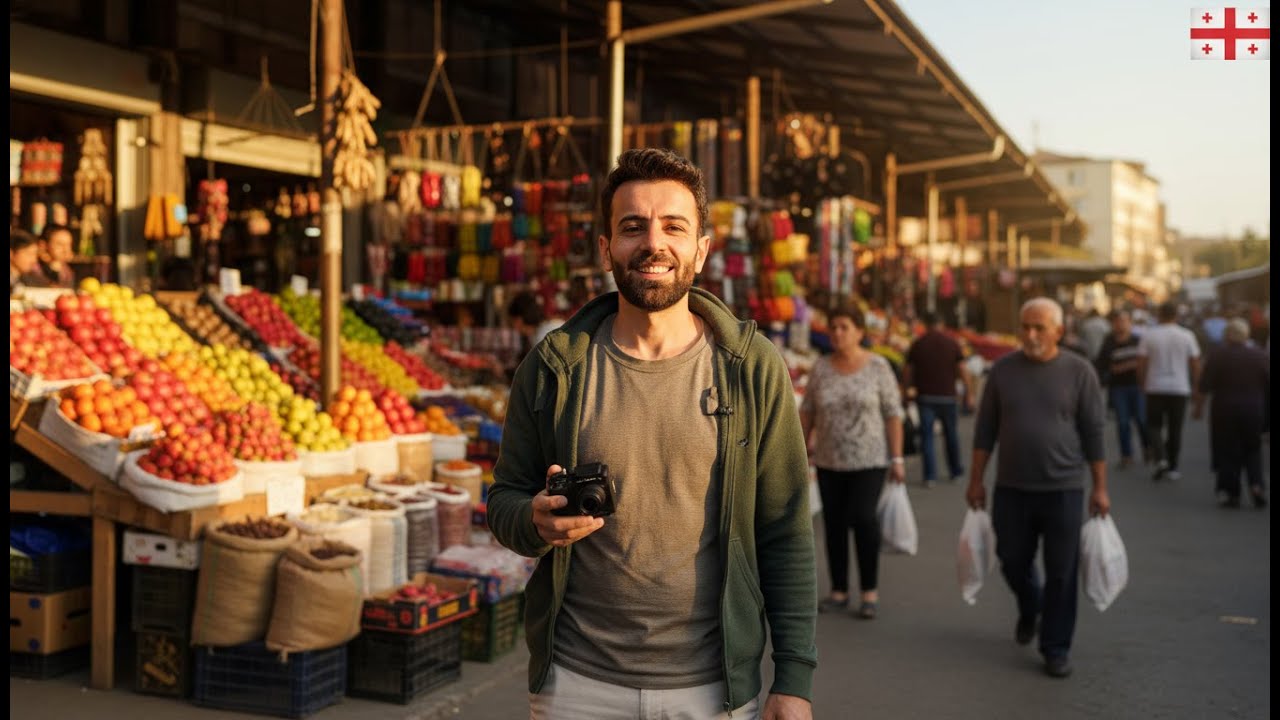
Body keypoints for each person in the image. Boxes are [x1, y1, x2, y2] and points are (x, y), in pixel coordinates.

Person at [488, 148, 816, 720]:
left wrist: (793, 679)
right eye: (632, 226)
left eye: (674, 226)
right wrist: (534, 521)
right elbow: (505, 498)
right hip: (576, 683)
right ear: (606, 248)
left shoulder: (751, 367)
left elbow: (784, 530)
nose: (653, 243)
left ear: (701, 249)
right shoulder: (554, 367)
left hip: (713, 688)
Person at [965, 297, 1109, 680]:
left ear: (1058, 331)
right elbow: (985, 430)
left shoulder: (1080, 372)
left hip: (1064, 489)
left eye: (1039, 327)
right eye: (1025, 326)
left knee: (1062, 572)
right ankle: (1031, 606)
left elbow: (1094, 433)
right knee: (1012, 560)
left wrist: (1100, 488)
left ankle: (1056, 647)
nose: (1030, 335)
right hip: (1012, 488)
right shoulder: (1002, 371)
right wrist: (976, 480)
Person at [799, 302, 904, 620]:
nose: (837, 333)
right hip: (829, 460)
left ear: (860, 331)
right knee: (834, 524)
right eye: (834, 327)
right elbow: (808, 410)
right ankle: (839, 589)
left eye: (845, 327)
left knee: (863, 519)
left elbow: (893, 413)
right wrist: (801, 451)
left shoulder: (878, 367)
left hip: (869, 459)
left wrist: (897, 457)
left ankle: (869, 591)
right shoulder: (821, 367)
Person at [1193, 319, 1269, 508]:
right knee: (1253, 449)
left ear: (1227, 335)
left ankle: (1230, 491)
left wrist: (1198, 408)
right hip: (1254, 410)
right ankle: (1256, 485)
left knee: (1227, 450)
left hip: (1224, 410)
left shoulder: (1218, 355)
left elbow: (1205, 386)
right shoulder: (1259, 355)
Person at [903, 311, 973, 488]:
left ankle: (930, 476)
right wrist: (968, 393)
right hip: (948, 397)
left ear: (926, 325)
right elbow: (963, 369)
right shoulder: (952, 343)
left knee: (927, 437)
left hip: (925, 396)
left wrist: (905, 391)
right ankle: (955, 470)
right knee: (951, 435)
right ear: (942, 324)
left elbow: (908, 371)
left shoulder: (918, 344)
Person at [1137, 301, 1202, 482]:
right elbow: (1195, 364)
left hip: (1155, 386)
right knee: (1175, 428)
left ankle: (1160, 457)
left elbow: (1141, 363)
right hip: (1179, 388)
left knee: (1154, 425)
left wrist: (1142, 383)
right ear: (1176, 315)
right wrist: (1197, 388)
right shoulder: (1187, 335)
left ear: (1159, 314)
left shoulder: (1149, 335)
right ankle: (1173, 466)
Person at [1095, 309, 1148, 469]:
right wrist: (1111, 371)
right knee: (1123, 422)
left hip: (1137, 386)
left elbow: (1146, 362)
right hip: (1118, 388)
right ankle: (1126, 455)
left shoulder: (1138, 341)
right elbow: (1101, 365)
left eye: (1124, 321)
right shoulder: (1109, 342)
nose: (1121, 325)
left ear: (1130, 323)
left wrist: (1130, 366)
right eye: (1118, 321)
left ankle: (1148, 448)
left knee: (1141, 419)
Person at [23, 224, 76, 288]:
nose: (66, 250)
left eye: (69, 245)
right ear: (43, 245)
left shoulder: (67, 273)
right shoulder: (30, 269)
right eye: (60, 244)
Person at [10, 229, 41, 295]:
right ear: (11, 253)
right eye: (29, 254)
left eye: (35, 255)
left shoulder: (27, 281)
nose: (34, 260)